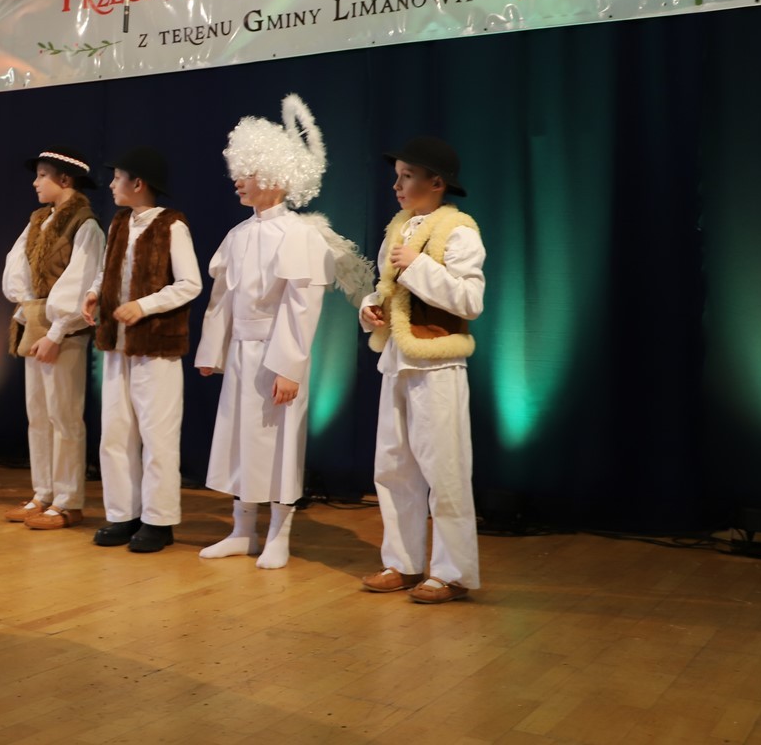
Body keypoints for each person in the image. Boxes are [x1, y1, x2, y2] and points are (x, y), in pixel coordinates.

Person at [195, 95, 371, 570]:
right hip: (241, 353)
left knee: (279, 442)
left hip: (276, 353)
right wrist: (212, 349)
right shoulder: (237, 235)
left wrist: (289, 366)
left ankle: (279, 534)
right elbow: (222, 297)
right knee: (240, 439)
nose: (238, 180)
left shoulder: (298, 235)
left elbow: (301, 304)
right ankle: (242, 530)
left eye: (248, 172)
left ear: (274, 176)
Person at [358, 137, 486, 604]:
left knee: (444, 469)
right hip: (398, 360)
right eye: (397, 176)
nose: (396, 185)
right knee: (393, 467)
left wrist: (417, 267)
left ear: (437, 183)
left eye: (407, 176)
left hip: (437, 362)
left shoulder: (458, 230)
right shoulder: (399, 229)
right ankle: (403, 562)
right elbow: (387, 290)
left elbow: (470, 300)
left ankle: (453, 572)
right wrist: (371, 307)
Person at [80, 146, 201, 553]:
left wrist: (143, 306)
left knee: (157, 434)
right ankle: (123, 513)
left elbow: (189, 283)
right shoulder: (119, 222)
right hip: (117, 344)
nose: (112, 184)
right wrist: (95, 292)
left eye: (118, 177)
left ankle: (158, 520)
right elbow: (108, 268)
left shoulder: (171, 225)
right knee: (115, 432)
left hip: (156, 347)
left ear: (138, 183)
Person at [1, 147, 103, 530]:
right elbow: (16, 268)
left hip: (64, 332)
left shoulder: (84, 225)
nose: (36, 182)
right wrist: (29, 311)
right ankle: (43, 492)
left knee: (64, 416)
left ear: (65, 179)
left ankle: (67, 500)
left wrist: (56, 331)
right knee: (38, 414)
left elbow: (81, 280)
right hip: (37, 324)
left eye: (43, 175)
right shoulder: (38, 221)